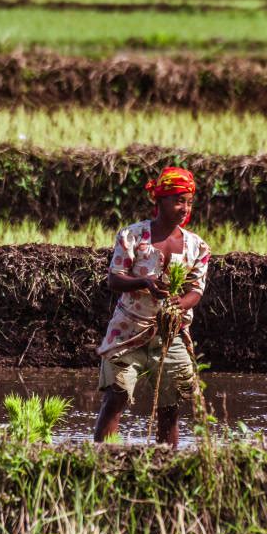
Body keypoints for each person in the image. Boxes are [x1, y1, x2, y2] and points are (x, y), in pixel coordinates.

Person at [94, 167, 210, 448]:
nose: (184, 208)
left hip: (170, 335)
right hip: (129, 330)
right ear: (159, 201)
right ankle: (103, 459)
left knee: (170, 409)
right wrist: (144, 281)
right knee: (116, 397)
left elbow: (196, 290)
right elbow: (114, 279)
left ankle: (165, 462)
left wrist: (178, 305)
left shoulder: (197, 246)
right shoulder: (132, 236)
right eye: (178, 200)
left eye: (189, 201)